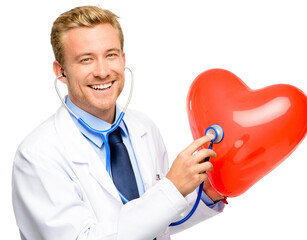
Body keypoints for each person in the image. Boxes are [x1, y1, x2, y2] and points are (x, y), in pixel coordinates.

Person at [12, 5, 225, 240]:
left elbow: (157, 219)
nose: (103, 71)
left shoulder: (144, 128)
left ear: (123, 59)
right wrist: (172, 188)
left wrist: (203, 194)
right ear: (61, 71)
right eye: (86, 60)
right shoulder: (37, 155)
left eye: (111, 55)